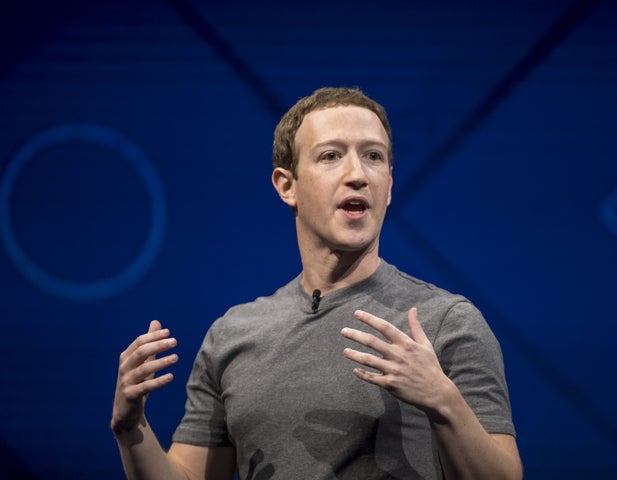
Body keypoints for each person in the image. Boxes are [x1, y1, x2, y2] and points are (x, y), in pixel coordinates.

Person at [111, 87, 522, 479]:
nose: (357, 174)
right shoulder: (232, 334)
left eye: (373, 156)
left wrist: (442, 401)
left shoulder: (447, 321)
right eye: (331, 156)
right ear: (287, 186)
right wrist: (131, 430)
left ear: (390, 185)